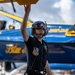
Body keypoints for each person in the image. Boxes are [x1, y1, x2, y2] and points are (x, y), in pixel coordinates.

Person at [20, 5, 54, 75]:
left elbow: (46, 64)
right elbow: (23, 30)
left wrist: (51, 73)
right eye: (38, 29)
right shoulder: (31, 41)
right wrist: (27, 13)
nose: (40, 30)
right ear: (34, 30)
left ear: (45, 30)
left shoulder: (45, 45)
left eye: (42, 28)